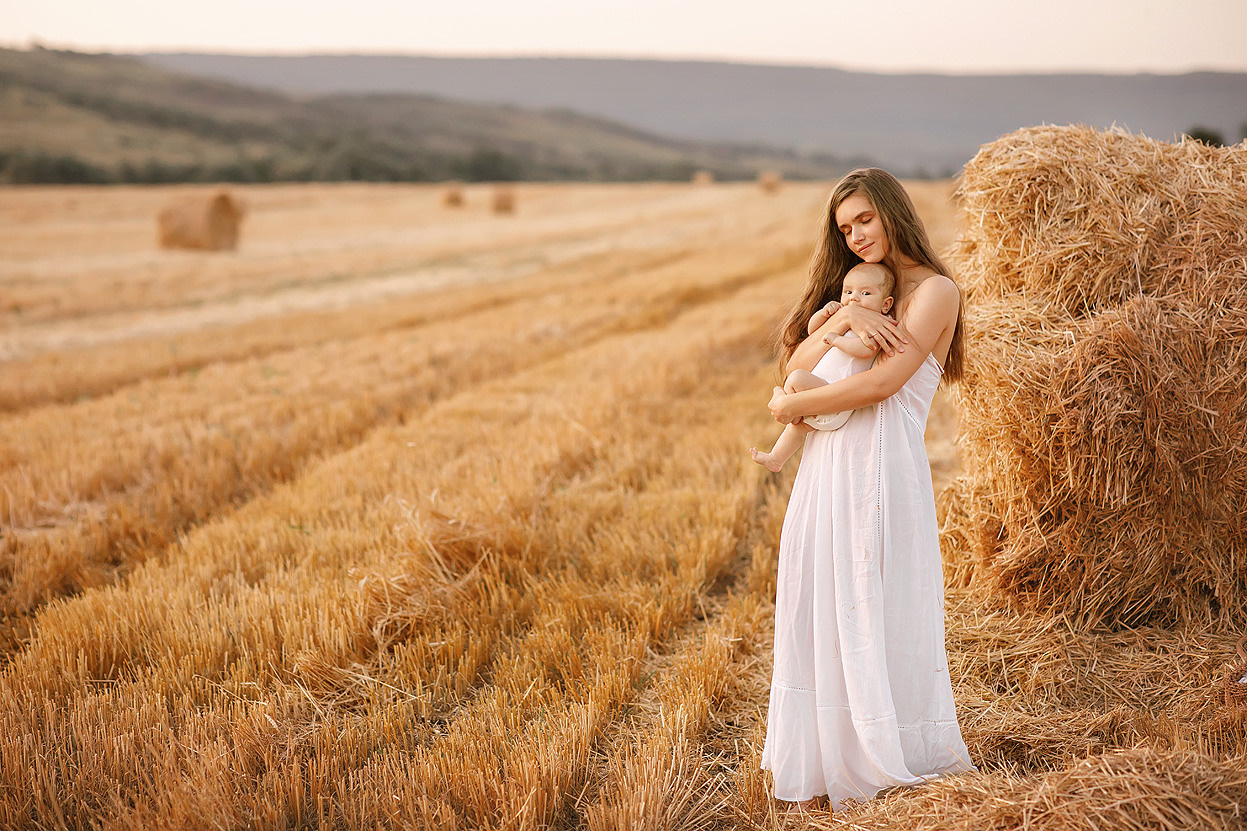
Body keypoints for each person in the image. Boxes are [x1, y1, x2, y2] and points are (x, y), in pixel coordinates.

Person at [759, 168, 978, 812]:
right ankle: (830, 754)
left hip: (883, 465)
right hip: (827, 463)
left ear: (892, 213)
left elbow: (880, 386)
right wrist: (831, 327)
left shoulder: (935, 292)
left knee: (873, 600)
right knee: (823, 598)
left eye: (864, 220)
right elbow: (799, 361)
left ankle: (883, 752)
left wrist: (787, 408)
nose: (855, 236)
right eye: (845, 228)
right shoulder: (858, 294)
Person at [750, 262, 895, 473]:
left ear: (886, 304)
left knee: (797, 378)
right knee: (798, 429)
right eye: (848, 291)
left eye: (865, 293)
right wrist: (826, 315)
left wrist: (837, 340)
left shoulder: (878, 323)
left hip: (836, 397)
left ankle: (787, 406)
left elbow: (866, 349)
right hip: (825, 393)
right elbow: (813, 330)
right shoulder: (844, 314)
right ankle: (776, 459)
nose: (854, 297)